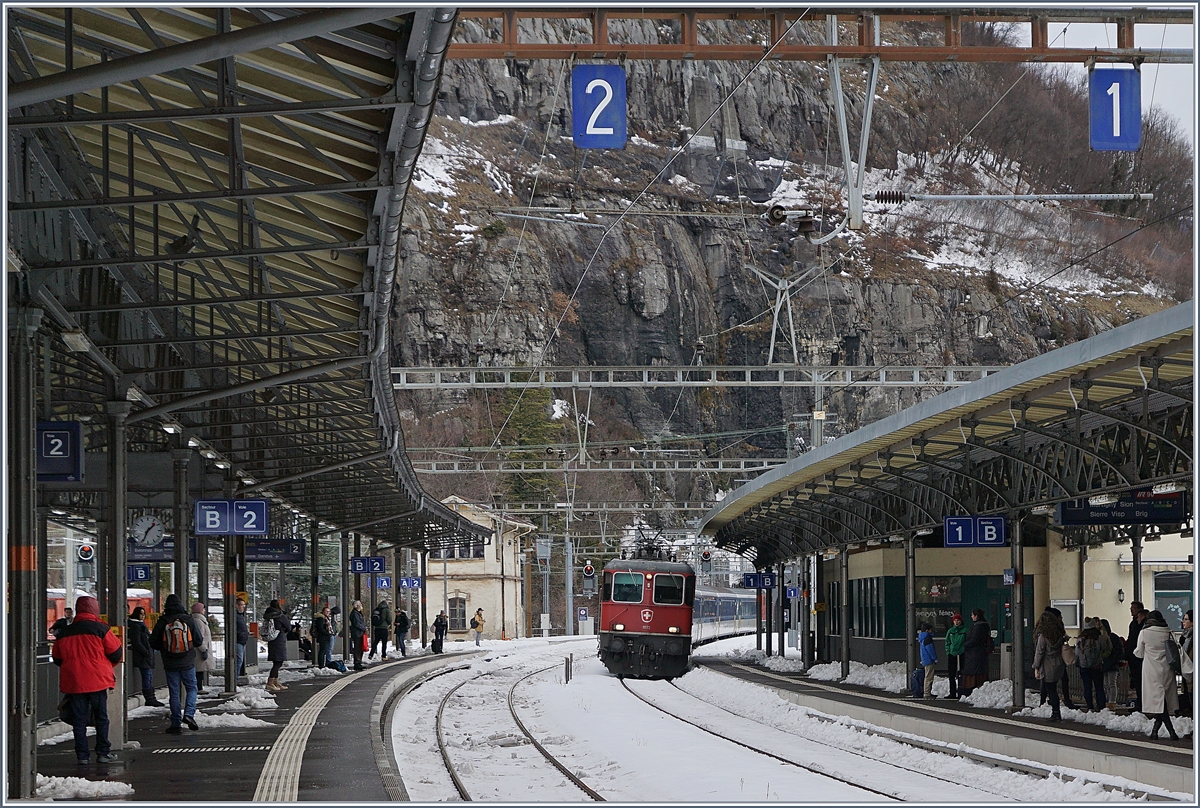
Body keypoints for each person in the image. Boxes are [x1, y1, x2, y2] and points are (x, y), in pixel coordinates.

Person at [52, 596, 122, 764]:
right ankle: (103, 752)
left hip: (75, 682)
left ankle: (82, 756)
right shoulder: (101, 629)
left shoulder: (65, 632)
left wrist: (72, 668)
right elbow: (117, 653)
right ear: (94, 609)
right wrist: (105, 665)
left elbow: (57, 658)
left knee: (79, 720)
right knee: (101, 717)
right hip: (98, 680)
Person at [149, 593, 203, 734]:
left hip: (169, 662)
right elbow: (198, 640)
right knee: (192, 688)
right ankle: (189, 714)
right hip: (187, 661)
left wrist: (166, 647)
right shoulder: (188, 619)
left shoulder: (163, 621)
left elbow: (153, 642)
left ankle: (175, 723)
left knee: (174, 692)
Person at [1134, 610, 1180, 739]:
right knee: (1163, 700)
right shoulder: (1168, 632)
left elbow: (1139, 652)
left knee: (1158, 702)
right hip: (1167, 668)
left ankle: (1170, 732)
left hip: (1151, 669)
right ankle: (1159, 732)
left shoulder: (1145, 632)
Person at [1032, 609, 1066, 721]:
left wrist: (1036, 666)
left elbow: (1039, 652)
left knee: (1051, 690)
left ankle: (1056, 713)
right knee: (1053, 689)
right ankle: (1056, 712)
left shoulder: (1043, 637)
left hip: (1047, 666)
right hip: (1058, 664)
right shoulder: (1059, 634)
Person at [128, 606, 162, 707]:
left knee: (148, 676)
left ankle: (151, 697)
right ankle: (150, 698)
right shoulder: (137, 626)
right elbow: (137, 642)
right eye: (141, 614)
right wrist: (146, 652)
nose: (143, 616)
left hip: (145, 655)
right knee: (147, 676)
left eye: (144, 614)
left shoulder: (138, 625)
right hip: (144, 656)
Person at [1075, 617, 1108, 711]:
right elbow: (1104, 648)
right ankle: (1101, 706)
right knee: (1099, 687)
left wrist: (1078, 662)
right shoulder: (1099, 637)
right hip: (1097, 665)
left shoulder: (1081, 639)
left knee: (1087, 686)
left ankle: (1090, 706)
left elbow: (1077, 653)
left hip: (1084, 665)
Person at [960, 608, 992, 696]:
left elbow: (975, 640)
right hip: (980, 653)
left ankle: (971, 688)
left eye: (972, 615)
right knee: (980, 672)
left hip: (974, 654)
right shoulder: (984, 626)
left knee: (973, 672)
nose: (971, 617)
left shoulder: (977, 627)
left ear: (976, 616)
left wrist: (965, 644)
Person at [262, 600, 289, 691]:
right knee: (278, 662)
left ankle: (276, 682)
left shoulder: (268, 616)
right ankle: (270, 682)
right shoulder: (280, 615)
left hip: (271, 640)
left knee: (276, 661)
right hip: (279, 640)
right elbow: (288, 627)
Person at [1099, 618, 1125, 710]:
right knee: (1107, 684)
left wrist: (1114, 660)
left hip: (1111, 663)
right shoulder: (1109, 637)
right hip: (1107, 663)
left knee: (1111, 683)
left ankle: (1112, 701)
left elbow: (1118, 651)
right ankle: (1109, 700)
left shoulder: (1112, 638)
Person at [1127, 601, 1147, 710]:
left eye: (1133, 608)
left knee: (1140, 681)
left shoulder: (1141, 624)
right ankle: (1140, 703)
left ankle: (1142, 704)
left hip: (1139, 657)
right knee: (1137, 681)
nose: (1131, 610)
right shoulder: (1133, 623)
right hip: (1133, 656)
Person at [191, 602, 214, 689]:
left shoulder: (199, 620)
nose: (204, 610)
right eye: (203, 609)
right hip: (200, 649)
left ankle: (199, 687)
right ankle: (199, 687)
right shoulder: (199, 621)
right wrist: (204, 649)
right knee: (199, 669)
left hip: (200, 648)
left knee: (200, 669)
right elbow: (200, 637)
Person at [944, 613, 967, 699]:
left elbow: (967, 641)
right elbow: (947, 642)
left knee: (962, 673)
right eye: (955, 620)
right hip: (952, 654)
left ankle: (962, 691)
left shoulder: (965, 631)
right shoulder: (950, 631)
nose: (956, 622)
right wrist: (948, 651)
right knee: (951, 674)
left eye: (958, 620)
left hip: (961, 653)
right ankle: (952, 692)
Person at [918, 621, 937, 698]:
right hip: (929, 660)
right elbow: (931, 650)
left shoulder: (922, 638)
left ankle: (927, 692)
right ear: (927, 630)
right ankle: (927, 693)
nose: (931, 631)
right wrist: (935, 658)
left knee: (927, 675)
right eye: (930, 629)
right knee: (929, 677)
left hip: (925, 659)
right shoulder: (928, 638)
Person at [1179, 610, 1193, 717]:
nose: (1183, 621)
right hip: (1186, 669)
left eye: (1186, 619)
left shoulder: (1193, 636)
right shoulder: (1185, 636)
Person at [349, 600, 368, 670]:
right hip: (357, 633)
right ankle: (357, 663)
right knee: (357, 648)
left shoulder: (358, 613)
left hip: (360, 633)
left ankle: (359, 662)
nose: (361, 605)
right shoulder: (355, 613)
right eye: (360, 604)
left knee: (360, 648)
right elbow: (357, 623)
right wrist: (363, 628)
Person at [235, 597, 249, 679]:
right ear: (236, 605)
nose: (243, 607)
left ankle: (235, 678)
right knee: (238, 660)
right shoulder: (236, 616)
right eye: (242, 605)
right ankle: (235, 679)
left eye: (244, 605)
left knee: (240, 660)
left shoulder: (240, 616)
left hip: (241, 640)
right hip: (238, 640)